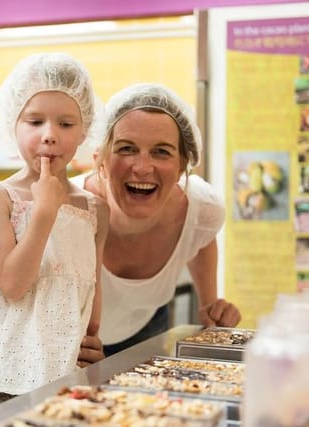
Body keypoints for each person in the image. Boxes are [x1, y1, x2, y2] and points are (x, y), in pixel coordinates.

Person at [0, 52, 109, 418]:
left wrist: (92, 346)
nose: (50, 136)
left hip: (67, 382)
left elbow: (91, 297)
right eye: (35, 121)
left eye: (66, 124)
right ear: (13, 125)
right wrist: (44, 212)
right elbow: (13, 284)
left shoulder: (96, 209)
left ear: (85, 130)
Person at [72, 83, 241, 356]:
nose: (142, 168)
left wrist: (210, 307)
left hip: (145, 328)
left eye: (162, 151)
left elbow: (200, 233)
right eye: (126, 149)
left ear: (182, 166)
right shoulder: (68, 210)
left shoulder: (202, 209)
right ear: (100, 160)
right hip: (71, 342)